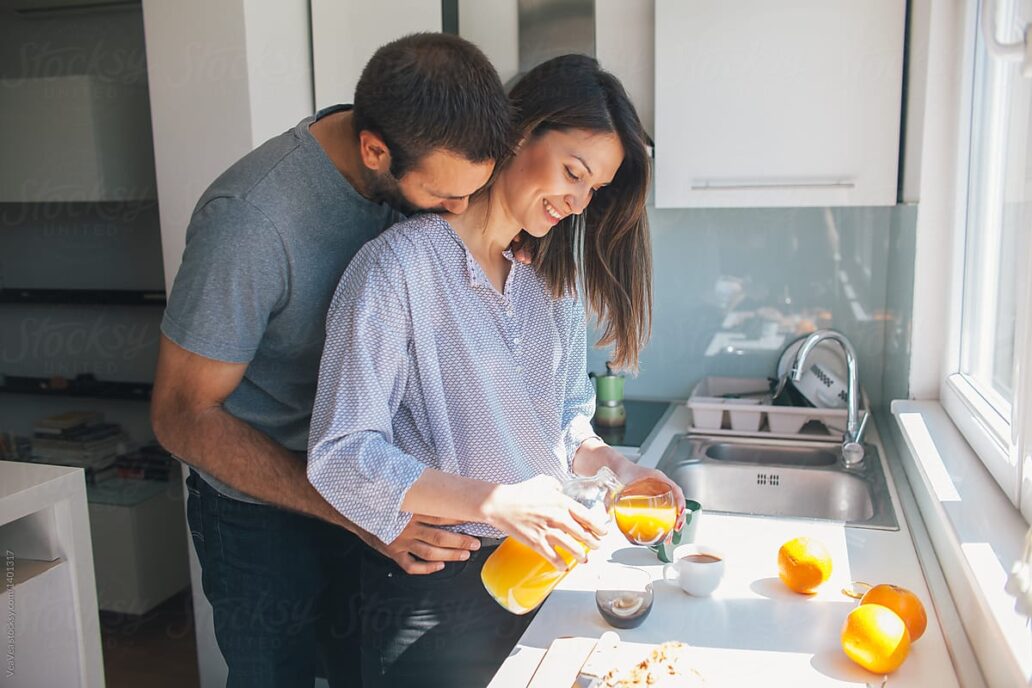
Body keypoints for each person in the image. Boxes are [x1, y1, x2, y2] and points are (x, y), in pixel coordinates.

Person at [307, 54, 686, 688]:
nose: (579, 199)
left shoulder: (555, 281)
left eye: (595, 188)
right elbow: (340, 454)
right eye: (573, 171)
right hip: (432, 591)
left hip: (541, 571)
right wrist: (497, 503)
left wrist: (618, 468)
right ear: (519, 131)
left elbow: (565, 420)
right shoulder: (396, 269)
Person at [149, 34, 512, 687]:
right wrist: (363, 512)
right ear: (376, 151)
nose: (460, 214)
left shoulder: (413, 149)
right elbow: (181, 415)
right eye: (445, 197)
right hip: (263, 514)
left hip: (378, 489)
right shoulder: (253, 223)